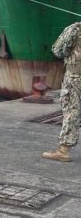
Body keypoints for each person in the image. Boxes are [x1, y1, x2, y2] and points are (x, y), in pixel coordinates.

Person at [42, 22, 81, 162]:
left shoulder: (75, 29)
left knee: (71, 111)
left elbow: (58, 51)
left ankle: (63, 151)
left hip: (75, 78)